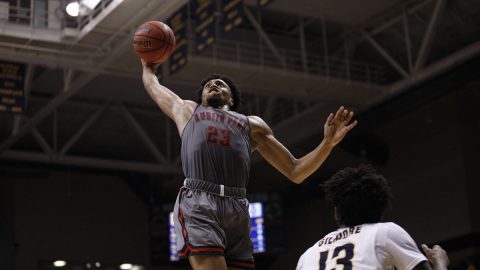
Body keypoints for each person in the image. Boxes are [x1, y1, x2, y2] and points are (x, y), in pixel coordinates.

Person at [141, 59, 357, 270]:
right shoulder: (188, 111)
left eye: (220, 84)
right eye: (208, 85)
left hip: (237, 207)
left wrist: (327, 144)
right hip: (199, 201)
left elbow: (295, 171)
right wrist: (147, 67)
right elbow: (153, 86)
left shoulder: (252, 125)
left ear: (232, 100)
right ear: (203, 98)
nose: (213, 85)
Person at [296, 165, 450, 270]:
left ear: (337, 212)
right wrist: (440, 263)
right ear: (380, 208)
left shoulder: (307, 255)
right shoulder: (384, 232)